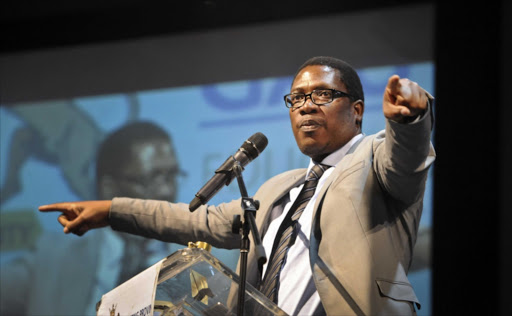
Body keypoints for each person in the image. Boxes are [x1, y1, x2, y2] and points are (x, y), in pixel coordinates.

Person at [39, 56, 435, 315]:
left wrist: (409, 122)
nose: (306, 106)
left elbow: (406, 161)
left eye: (322, 95)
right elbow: (199, 222)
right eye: (296, 99)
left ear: (357, 110)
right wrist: (111, 211)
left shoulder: (373, 159)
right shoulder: (281, 188)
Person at [1, 121, 181, 316]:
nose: (167, 190)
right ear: (109, 189)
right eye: (151, 179)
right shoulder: (51, 261)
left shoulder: (205, 259)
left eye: (171, 176)